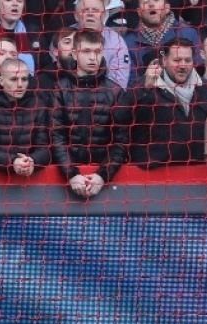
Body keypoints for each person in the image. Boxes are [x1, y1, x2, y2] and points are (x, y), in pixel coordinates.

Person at [51, 29, 129, 198]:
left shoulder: (115, 91)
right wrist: (71, 173)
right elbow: (56, 136)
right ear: (74, 53)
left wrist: (102, 175)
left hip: (105, 183)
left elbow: (121, 141)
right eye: (86, 51)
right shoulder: (60, 89)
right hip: (65, 181)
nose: (93, 58)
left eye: (98, 52)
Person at [129, 37, 207, 168]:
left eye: (187, 60)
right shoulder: (145, 86)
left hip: (199, 172)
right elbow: (121, 117)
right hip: (155, 174)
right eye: (177, 60)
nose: (183, 65)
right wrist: (143, 89)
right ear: (165, 61)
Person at [124, 0, 201, 86]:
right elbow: (130, 86)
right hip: (146, 97)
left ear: (167, 8)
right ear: (139, 12)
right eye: (145, 2)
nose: (151, 4)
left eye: (156, 0)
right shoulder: (128, 42)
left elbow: (198, 71)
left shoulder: (188, 34)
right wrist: (144, 82)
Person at [0, 58, 50, 176]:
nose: (20, 84)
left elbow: (45, 148)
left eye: (24, 79)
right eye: (14, 79)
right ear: (1, 81)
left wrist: (32, 161)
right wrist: (12, 161)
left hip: (29, 181)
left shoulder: (38, 105)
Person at [73, 0, 131, 89]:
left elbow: (119, 84)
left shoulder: (117, 42)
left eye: (95, 10)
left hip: (106, 99)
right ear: (76, 15)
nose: (90, 14)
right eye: (85, 10)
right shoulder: (65, 37)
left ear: (104, 15)